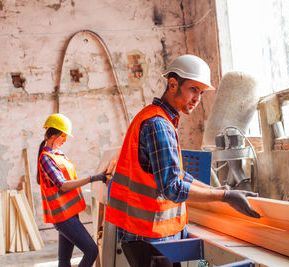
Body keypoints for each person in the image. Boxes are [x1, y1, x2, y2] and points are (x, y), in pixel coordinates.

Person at [105, 54, 260, 267]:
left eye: (201, 92)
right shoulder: (158, 124)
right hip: (150, 237)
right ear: (173, 84)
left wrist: (219, 190)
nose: (197, 98)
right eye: (193, 89)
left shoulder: (158, 118)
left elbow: (178, 176)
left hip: (149, 234)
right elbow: (173, 188)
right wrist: (225, 196)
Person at [37, 113, 110, 267]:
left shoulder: (58, 154)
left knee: (64, 260)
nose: (65, 140)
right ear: (53, 135)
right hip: (63, 216)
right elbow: (63, 185)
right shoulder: (46, 158)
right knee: (91, 251)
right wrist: (92, 178)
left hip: (70, 213)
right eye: (63, 136)